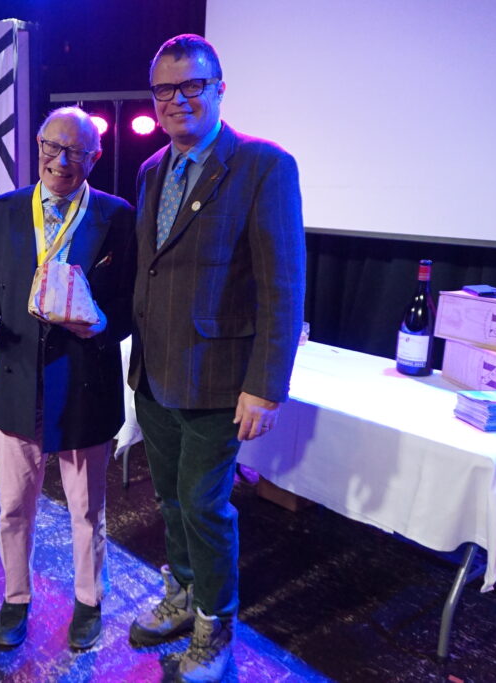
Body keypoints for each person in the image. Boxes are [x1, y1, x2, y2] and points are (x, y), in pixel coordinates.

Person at [0, 107, 136, 650]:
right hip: (17, 382)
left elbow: (131, 306)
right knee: (15, 508)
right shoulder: (5, 210)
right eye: (51, 147)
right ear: (38, 146)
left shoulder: (116, 216)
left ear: (95, 157)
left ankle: (89, 600)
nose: (61, 161)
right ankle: (16, 599)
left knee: (87, 509)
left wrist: (101, 323)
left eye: (76, 151)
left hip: (85, 383)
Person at [127, 34, 305, 682]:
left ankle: (214, 628)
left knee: (204, 506)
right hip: (155, 374)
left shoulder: (263, 165)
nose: (176, 99)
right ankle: (181, 594)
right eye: (164, 89)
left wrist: (265, 385)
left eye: (191, 85)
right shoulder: (152, 169)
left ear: (220, 89)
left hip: (219, 380)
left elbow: (282, 285)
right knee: (170, 501)